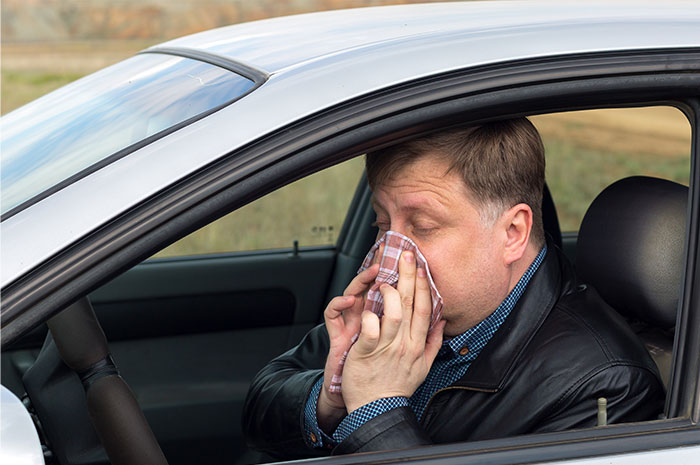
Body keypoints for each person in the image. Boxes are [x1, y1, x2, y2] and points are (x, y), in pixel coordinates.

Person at [242, 118, 665, 459]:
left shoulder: (605, 386)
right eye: (382, 224)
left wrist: (377, 410)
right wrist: (331, 397)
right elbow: (259, 408)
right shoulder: (394, 306)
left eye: (422, 227)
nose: (391, 253)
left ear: (513, 232)